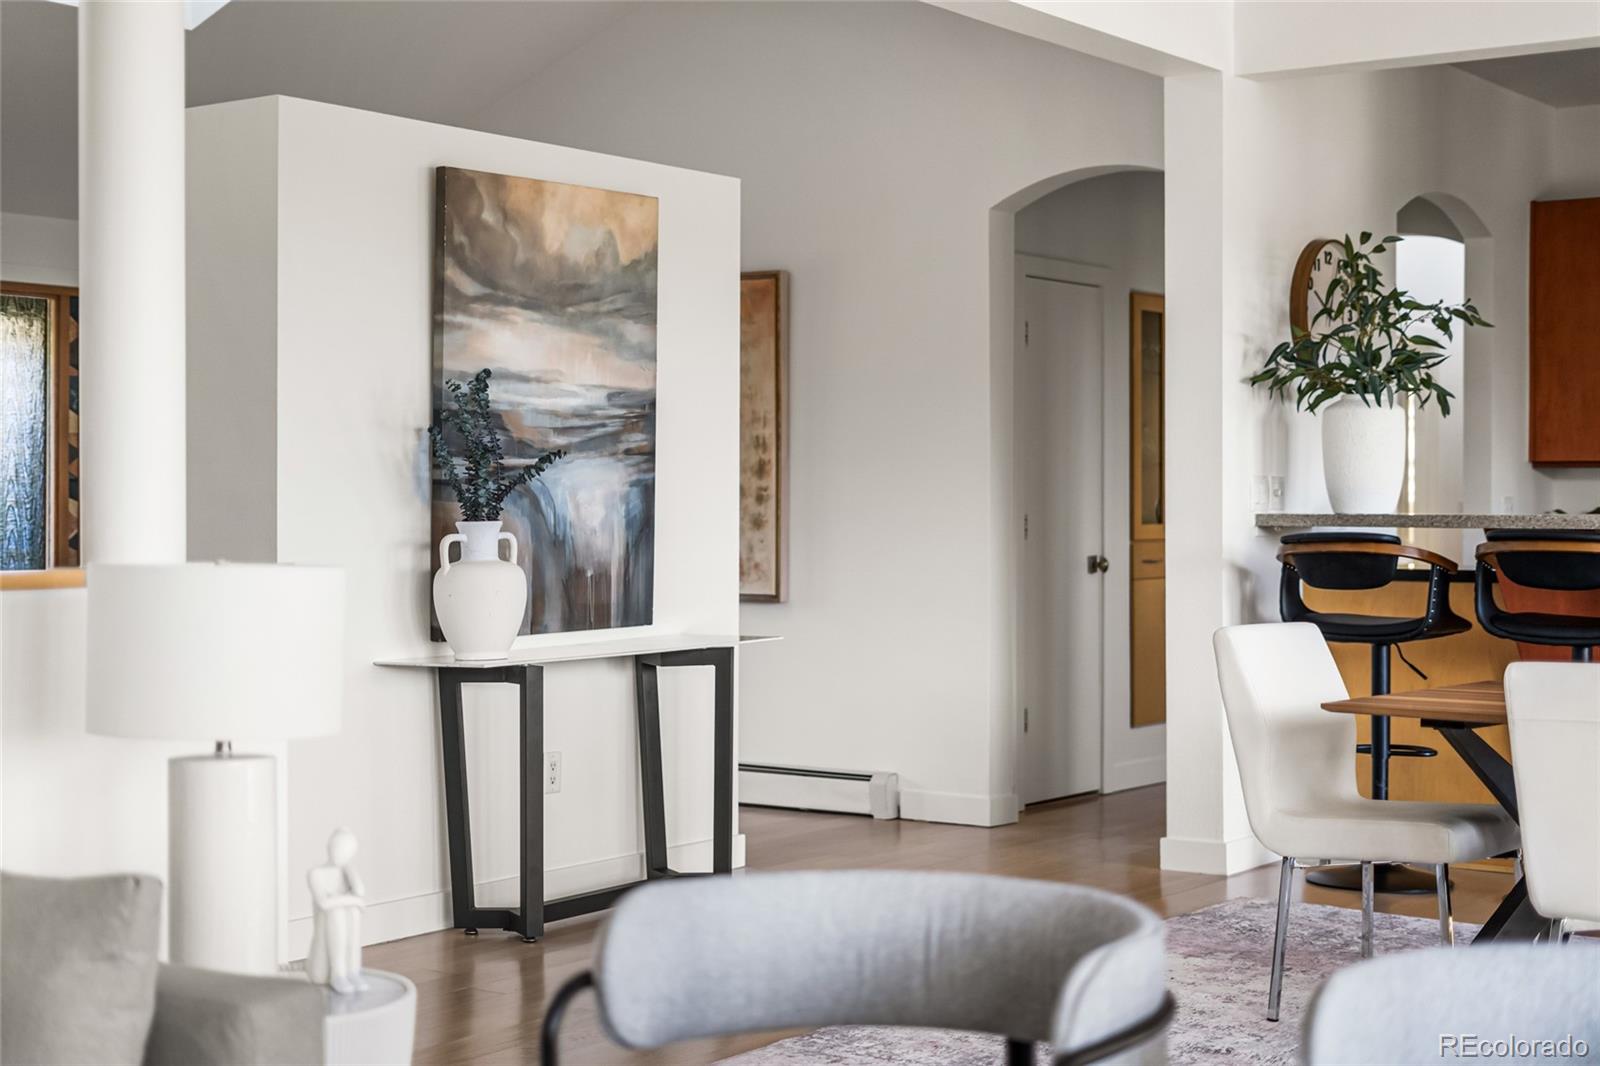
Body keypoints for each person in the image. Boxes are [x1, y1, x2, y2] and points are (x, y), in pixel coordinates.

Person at [307, 828, 368, 994]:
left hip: (342, 919)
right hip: (326, 927)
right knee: (338, 913)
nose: (338, 853)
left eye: (345, 851)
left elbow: (360, 891)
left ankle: (352, 970)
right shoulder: (316, 873)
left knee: (353, 912)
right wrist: (355, 901)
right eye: (336, 847)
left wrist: (349, 868)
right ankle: (337, 973)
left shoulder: (344, 871)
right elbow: (324, 903)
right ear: (329, 847)